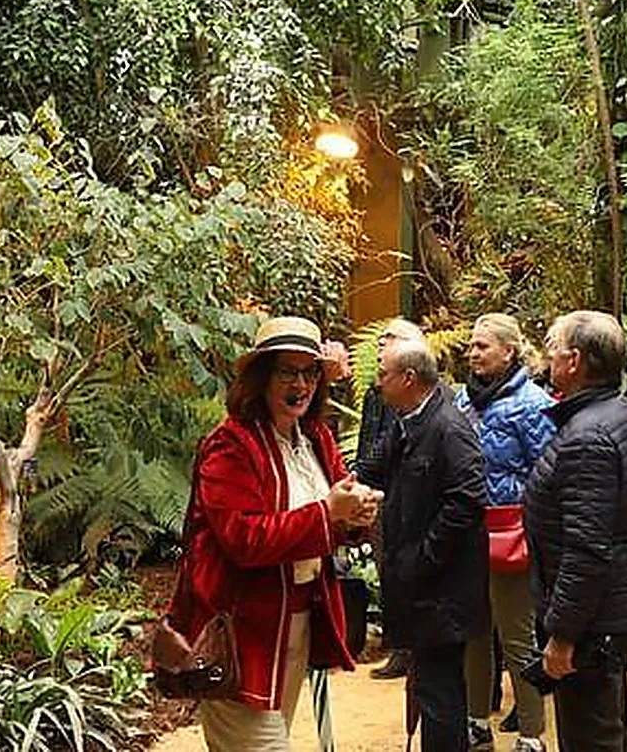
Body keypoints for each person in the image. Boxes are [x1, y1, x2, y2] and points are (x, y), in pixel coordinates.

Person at [166, 316, 381, 751]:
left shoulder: (314, 437)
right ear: (261, 378)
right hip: (239, 630)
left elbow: (333, 515)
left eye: (309, 372)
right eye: (287, 371)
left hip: (295, 625)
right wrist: (327, 513)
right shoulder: (230, 445)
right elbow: (244, 539)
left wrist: (356, 515)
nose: (300, 384)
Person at [524, 310, 627, 752]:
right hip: (616, 604)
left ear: (575, 361)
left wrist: (563, 636)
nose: (547, 360)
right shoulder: (621, 412)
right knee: (606, 729)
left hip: (595, 618)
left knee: (589, 738)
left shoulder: (588, 437)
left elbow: (586, 549)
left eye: (553, 351)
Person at [377, 336, 488, 752]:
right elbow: (377, 470)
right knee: (433, 689)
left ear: (408, 378)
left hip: (442, 591)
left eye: (383, 374)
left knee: (441, 697)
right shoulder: (409, 422)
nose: (377, 382)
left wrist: (423, 559)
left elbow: (467, 500)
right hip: (423, 588)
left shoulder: (448, 427)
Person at [453, 314, 556, 752]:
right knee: (474, 632)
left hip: (511, 532)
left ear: (509, 352)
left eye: (483, 346)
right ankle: (477, 721)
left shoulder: (532, 404)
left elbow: (547, 471)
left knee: (517, 636)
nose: (473, 354)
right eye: (472, 346)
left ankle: (531, 734)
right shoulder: (463, 400)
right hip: (468, 533)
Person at [352, 317, 424, 680]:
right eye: (379, 340)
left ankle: (411, 649)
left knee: (406, 571)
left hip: (399, 493)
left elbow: (395, 441)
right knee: (386, 569)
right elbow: (370, 437)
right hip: (374, 490)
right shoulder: (375, 391)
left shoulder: (412, 395)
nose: (381, 344)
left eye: (390, 339)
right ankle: (399, 648)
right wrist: (358, 476)